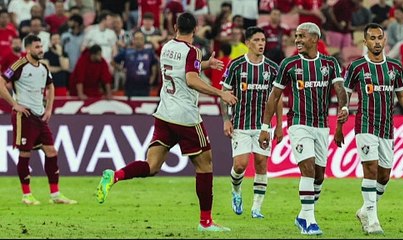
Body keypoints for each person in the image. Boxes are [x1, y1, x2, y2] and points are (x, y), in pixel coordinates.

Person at [96, 12, 237, 232]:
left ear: (175, 27)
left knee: (152, 166)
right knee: (205, 164)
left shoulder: (166, 47)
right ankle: (206, 222)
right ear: (196, 29)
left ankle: (114, 176)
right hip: (186, 117)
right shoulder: (193, 51)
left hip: (164, 113)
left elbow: (182, 69)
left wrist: (205, 63)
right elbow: (190, 79)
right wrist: (221, 93)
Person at [258, 22, 348, 235]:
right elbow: (274, 97)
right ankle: (311, 221)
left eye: (301, 36)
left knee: (318, 176)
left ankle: (302, 216)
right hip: (299, 124)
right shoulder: (289, 64)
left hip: (321, 126)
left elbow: (340, 89)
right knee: (307, 169)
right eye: (295, 36)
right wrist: (265, 127)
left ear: (315, 39)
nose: (297, 40)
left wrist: (343, 106)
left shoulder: (330, 63)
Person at [337, 23, 403, 235]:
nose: (377, 42)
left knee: (384, 176)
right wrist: (341, 118)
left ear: (384, 41)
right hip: (365, 124)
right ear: (365, 42)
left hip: (387, 127)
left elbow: (402, 96)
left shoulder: (394, 66)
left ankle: (364, 211)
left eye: (379, 38)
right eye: (372, 38)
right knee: (371, 170)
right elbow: (345, 93)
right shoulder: (357, 66)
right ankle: (373, 220)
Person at [0, 35, 77, 205]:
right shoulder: (18, 65)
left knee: (52, 152)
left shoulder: (43, 67)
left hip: (40, 117)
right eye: (37, 47)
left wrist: (49, 108)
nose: (41, 50)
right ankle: (27, 195)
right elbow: (1, 82)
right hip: (24, 116)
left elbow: (51, 86)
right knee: (25, 154)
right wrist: (14, 104)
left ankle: (55, 195)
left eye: (41, 46)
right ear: (28, 48)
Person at [220, 26, 283, 219]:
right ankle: (236, 191)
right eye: (256, 40)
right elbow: (224, 94)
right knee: (240, 165)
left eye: (263, 40)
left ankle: (257, 207)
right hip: (240, 123)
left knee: (261, 163)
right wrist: (226, 120)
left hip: (263, 126)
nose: (261, 44)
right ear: (247, 43)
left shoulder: (273, 68)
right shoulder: (236, 65)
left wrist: (279, 125)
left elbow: (278, 98)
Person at [113, 30, 158, 97]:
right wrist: (121, 69)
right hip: (130, 87)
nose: (139, 41)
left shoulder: (149, 52)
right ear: (133, 40)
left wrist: (153, 77)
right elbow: (113, 61)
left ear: (144, 40)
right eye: (136, 39)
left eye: (141, 39)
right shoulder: (127, 52)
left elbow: (154, 64)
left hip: (145, 87)